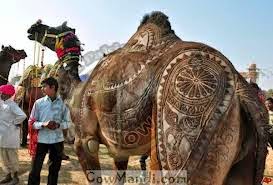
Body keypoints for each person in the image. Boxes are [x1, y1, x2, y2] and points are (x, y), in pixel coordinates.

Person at [27, 77, 71, 185]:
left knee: (54, 170)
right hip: (41, 140)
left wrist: (58, 125)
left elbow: (68, 123)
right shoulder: (39, 103)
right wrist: (43, 124)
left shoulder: (63, 104)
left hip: (57, 141)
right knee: (35, 170)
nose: (42, 89)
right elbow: (31, 122)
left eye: (44, 86)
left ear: (53, 87)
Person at [0, 84, 27, 184]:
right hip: (2, 136)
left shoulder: (12, 105)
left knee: (12, 157)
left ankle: (15, 177)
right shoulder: (2, 103)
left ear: (7, 94)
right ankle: (8, 175)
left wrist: (13, 123)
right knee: (3, 157)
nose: (1, 94)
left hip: (11, 136)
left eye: (2, 92)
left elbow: (22, 115)